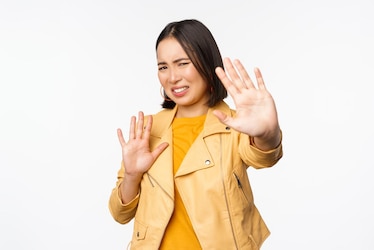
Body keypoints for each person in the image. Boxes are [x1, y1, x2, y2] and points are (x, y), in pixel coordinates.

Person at [108, 19, 283, 250]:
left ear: (206, 63)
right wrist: (131, 175)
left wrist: (268, 133)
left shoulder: (235, 124)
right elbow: (120, 214)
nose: (172, 77)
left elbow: (265, 156)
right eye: (163, 67)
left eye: (182, 63)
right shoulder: (149, 130)